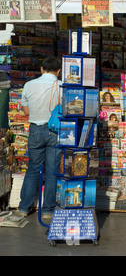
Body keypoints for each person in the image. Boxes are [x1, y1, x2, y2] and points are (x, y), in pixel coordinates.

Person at [15, 56, 63, 221]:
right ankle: (48, 210)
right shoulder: (62, 86)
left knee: (33, 168)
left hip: (35, 129)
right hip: (55, 131)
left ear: (41, 69)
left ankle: (23, 208)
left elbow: (26, 112)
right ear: (58, 71)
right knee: (52, 171)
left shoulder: (29, 85)